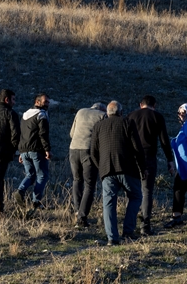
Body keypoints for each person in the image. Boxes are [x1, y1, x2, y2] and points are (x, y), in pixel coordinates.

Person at [90, 101, 145, 246]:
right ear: (121, 112)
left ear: (107, 113)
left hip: (106, 170)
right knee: (135, 196)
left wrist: (100, 167)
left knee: (108, 203)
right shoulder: (127, 123)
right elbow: (137, 148)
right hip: (127, 168)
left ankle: (112, 238)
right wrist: (143, 168)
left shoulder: (98, 126)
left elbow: (93, 151)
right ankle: (128, 231)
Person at [127, 95, 174, 235]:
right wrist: (169, 160)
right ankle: (145, 225)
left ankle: (130, 223)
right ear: (154, 105)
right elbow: (164, 140)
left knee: (132, 192)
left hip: (131, 157)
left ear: (141, 104)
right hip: (148, 157)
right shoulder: (157, 117)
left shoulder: (131, 116)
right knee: (146, 191)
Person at [69, 101, 106, 228]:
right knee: (89, 184)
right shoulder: (102, 115)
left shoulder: (80, 111)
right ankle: (82, 217)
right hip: (88, 150)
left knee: (76, 180)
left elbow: (71, 133)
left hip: (73, 149)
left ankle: (77, 210)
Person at [17, 93, 52, 208]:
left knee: (30, 174)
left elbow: (21, 134)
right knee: (42, 175)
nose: (47, 103)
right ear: (37, 102)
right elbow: (43, 134)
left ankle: (20, 191)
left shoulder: (25, 115)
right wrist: (47, 149)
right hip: (36, 149)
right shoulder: (41, 115)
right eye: (45, 101)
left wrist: (21, 151)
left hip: (24, 149)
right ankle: (36, 202)